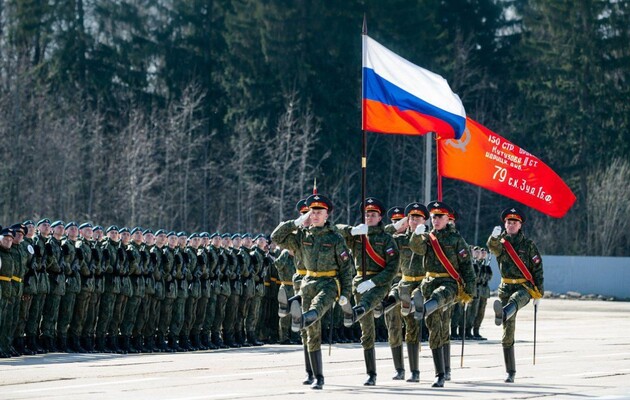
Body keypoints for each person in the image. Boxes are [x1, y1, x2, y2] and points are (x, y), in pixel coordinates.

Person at [271, 193, 353, 390]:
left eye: (319, 212)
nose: (315, 215)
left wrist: (346, 293)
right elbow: (276, 237)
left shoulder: (335, 238)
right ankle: (316, 375)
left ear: (326, 215)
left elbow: (346, 269)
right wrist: (296, 222)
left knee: (318, 307)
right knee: (311, 332)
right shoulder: (302, 236)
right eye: (312, 212)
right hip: (307, 282)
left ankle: (295, 312)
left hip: (329, 282)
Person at [408, 201, 476, 388]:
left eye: (440, 217)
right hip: (429, 282)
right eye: (433, 217)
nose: (435, 220)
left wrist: (470, 291)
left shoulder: (456, 239)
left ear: (448, 219)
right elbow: (416, 248)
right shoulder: (427, 237)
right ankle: (440, 373)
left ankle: (421, 308)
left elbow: (467, 266)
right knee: (435, 330)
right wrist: (416, 235)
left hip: (449, 283)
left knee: (439, 296)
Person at [336, 197, 399, 386]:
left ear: (380, 218)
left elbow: (392, 268)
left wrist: (373, 282)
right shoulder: (358, 236)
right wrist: (352, 230)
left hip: (379, 283)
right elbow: (334, 230)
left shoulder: (386, 239)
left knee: (369, 301)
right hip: (359, 282)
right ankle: (371, 373)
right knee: (367, 330)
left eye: (373, 215)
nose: (369, 217)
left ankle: (354, 312)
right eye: (367, 214)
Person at [487, 207, 544, 383]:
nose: (511, 225)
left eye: (514, 222)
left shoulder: (528, 245)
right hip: (506, 286)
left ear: (520, 225)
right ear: (505, 224)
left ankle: (503, 313)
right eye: (508, 222)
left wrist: (538, 294)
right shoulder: (501, 242)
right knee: (508, 331)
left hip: (524, 286)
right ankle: (510, 372)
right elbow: (493, 248)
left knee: (516, 299)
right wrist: (493, 237)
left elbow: (537, 269)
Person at [385, 202, 429, 383]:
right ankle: (399, 370)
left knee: (412, 328)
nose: (413, 221)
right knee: (393, 327)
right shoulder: (399, 240)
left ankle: (414, 371)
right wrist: (395, 226)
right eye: (411, 218)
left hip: (417, 286)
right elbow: (381, 236)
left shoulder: (427, 238)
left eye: (418, 218)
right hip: (398, 285)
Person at [472, 248, 492, 340]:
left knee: (481, 312)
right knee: (473, 312)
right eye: (480, 252)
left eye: (484, 253)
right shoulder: (474, 263)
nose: (483, 254)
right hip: (476, 291)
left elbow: (489, 277)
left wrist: (486, 272)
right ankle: (468, 331)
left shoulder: (485, 264)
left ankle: (476, 330)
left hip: (484, 292)